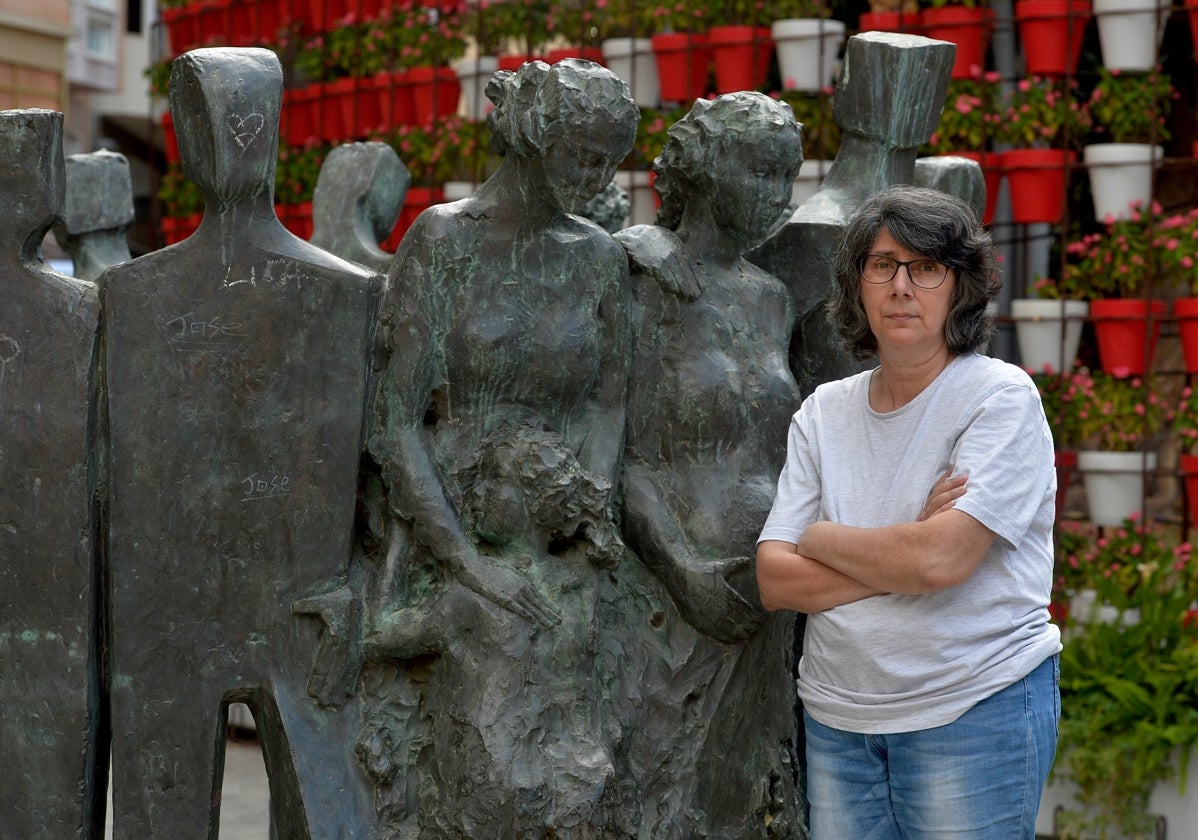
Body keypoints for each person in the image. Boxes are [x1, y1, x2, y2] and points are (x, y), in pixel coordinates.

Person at [359, 58, 640, 836]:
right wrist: (468, 562)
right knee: (447, 784)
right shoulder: (444, 240)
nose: (596, 177)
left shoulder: (599, 258)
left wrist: (583, 523)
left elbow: (610, 402)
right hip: (444, 542)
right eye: (582, 155)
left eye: (608, 162)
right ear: (532, 139)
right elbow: (396, 420)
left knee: (566, 785)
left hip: (560, 548)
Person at [756, 184, 1061, 839]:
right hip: (840, 724)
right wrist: (908, 542)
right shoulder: (824, 411)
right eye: (882, 265)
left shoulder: (998, 399)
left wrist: (822, 535)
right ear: (857, 286)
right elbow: (776, 581)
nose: (901, 286)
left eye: (925, 268)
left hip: (972, 709)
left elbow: (942, 559)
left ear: (960, 288)